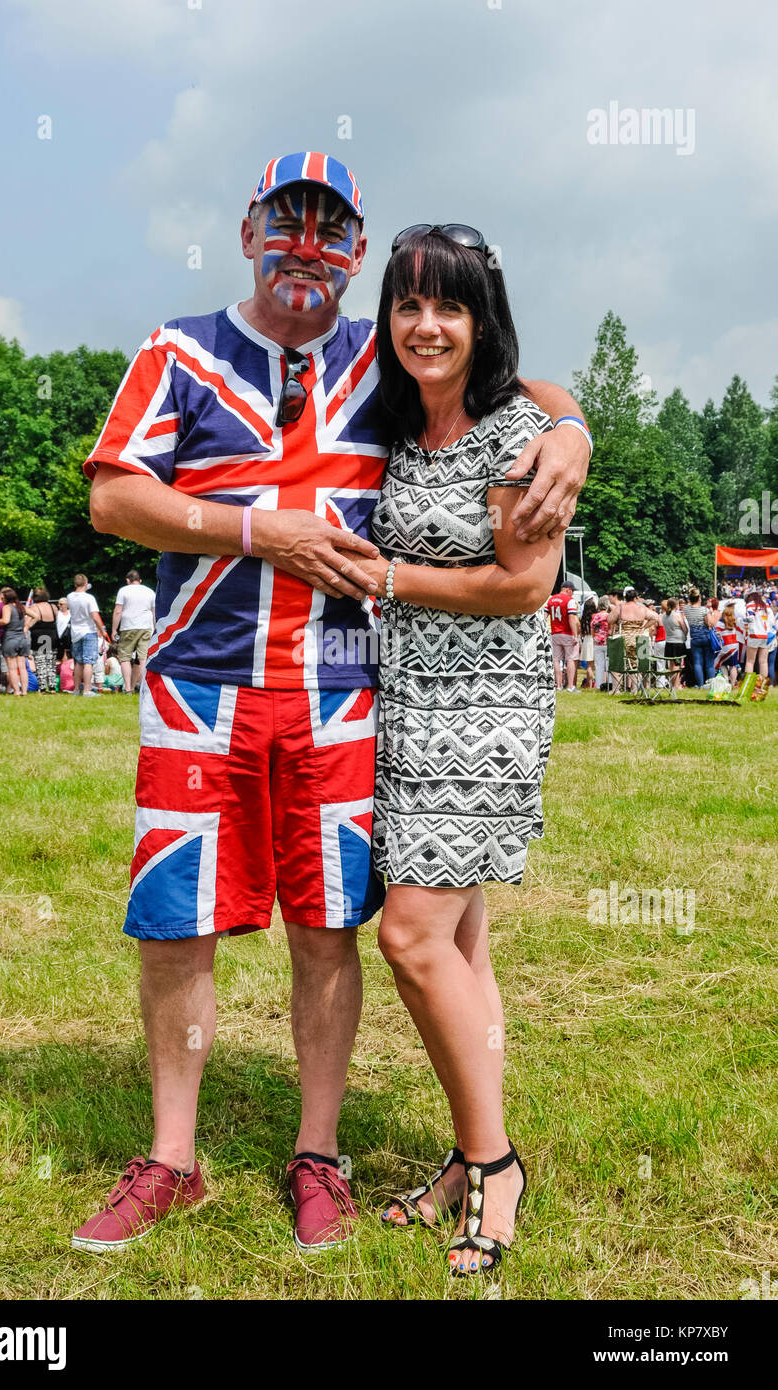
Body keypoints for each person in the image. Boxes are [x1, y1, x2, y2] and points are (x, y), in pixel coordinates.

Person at [74, 153, 592, 1258]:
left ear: (355, 254)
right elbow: (116, 496)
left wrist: (572, 432)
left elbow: (515, 385)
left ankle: (319, 1152)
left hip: (343, 691)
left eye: (330, 231)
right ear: (249, 226)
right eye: (287, 221)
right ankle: (172, 1159)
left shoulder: (382, 358)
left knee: (325, 928)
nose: (305, 247)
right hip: (200, 683)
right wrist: (264, 530)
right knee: (180, 925)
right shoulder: (178, 350)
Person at [361, 226, 567, 1277]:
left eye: (449, 307)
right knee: (460, 948)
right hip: (400, 708)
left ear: (480, 319)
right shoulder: (398, 419)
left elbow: (522, 586)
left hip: (481, 717)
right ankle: (464, 1145)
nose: (425, 326)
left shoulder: (510, 431)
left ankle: (495, 1165)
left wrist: (564, 424)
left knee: (409, 938)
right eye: (407, 305)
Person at [111, 569, 156, 693]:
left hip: (128, 626)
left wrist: (114, 630)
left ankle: (128, 688)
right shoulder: (150, 591)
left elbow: (118, 611)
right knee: (142, 658)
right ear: (140, 580)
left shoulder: (124, 591)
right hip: (146, 626)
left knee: (125, 657)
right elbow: (154, 612)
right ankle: (143, 687)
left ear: (127, 580)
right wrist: (155, 627)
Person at [66, 574, 110, 696]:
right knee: (88, 662)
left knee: (78, 662)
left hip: (75, 632)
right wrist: (102, 631)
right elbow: (95, 616)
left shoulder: (69, 597)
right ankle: (87, 689)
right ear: (86, 583)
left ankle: (76, 689)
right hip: (89, 631)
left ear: (75, 584)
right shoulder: (89, 598)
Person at [0, 588, 38, 696]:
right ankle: (24, 691)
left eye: (3, 598)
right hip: (22, 640)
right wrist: (26, 626)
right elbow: (36, 616)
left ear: (7, 598)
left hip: (10, 639)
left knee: (12, 668)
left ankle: (17, 692)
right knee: (22, 667)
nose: (2, 599)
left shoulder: (7, 607)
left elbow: (5, 620)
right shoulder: (21, 607)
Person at [547, 580, 580, 692]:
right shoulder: (570, 600)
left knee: (556, 659)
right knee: (570, 659)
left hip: (555, 633)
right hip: (567, 633)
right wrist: (575, 634)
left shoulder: (551, 599)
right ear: (568, 589)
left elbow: (544, 615)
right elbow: (571, 618)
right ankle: (570, 686)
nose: (573, 594)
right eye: (572, 591)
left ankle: (558, 685)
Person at [27, 587, 60, 692]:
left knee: (40, 661)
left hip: (39, 637)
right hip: (52, 636)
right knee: (51, 662)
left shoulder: (34, 607)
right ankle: (52, 687)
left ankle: (42, 688)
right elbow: (58, 620)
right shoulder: (53, 607)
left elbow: (27, 623)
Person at [682, 589, 715, 688]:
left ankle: (700, 685)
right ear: (699, 598)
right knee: (709, 663)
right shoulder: (704, 610)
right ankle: (711, 684)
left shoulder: (686, 609)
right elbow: (709, 623)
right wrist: (711, 614)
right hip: (705, 637)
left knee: (697, 663)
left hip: (694, 639)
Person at [662, 598, 688, 691]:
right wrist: (685, 635)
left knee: (671, 665)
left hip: (669, 642)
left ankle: (672, 684)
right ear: (676, 605)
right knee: (677, 664)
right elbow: (685, 628)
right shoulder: (677, 615)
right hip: (678, 642)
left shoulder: (664, 616)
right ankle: (676, 685)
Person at [744, 591, 770, 681]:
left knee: (750, 661)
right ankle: (762, 685)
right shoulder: (765, 605)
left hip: (754, 635)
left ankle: (748, 684)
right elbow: (771, 620)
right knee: (763, 662)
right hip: (765, 635)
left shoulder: (750, 605)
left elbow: (749, 619)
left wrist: (742, 619)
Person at [591, 596, 610, 690]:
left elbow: (592, 628)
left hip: (597, 642)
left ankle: (599, 685)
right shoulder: (609, 616)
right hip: (607, 642)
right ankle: (610, 684)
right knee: (609, 665)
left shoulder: (595, 616)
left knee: (599, 665)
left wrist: (593, 638)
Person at [579, 594, 597, 688]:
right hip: (594, 639)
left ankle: (589, 684)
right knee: (595, 665)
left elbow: (581, 632)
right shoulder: (595, 617)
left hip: (586, 640)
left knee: (589, 665)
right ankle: (595, 683)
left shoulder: (583, 619)